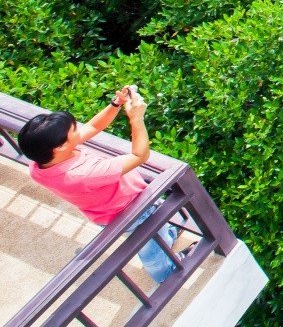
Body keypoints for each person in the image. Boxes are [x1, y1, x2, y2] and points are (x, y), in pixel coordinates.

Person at [17, 85, 188, 284]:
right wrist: (136, 118)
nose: (78, 130)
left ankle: (166, 237)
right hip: (132, 212)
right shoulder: (83, 174)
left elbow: (92, 127)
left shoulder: (40, 164)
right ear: (61, 146)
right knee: (151, 252)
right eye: (73, 130)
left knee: (157, 234)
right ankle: (167, 274)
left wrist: (116, 104)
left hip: (105, 211)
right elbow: (140, 155)